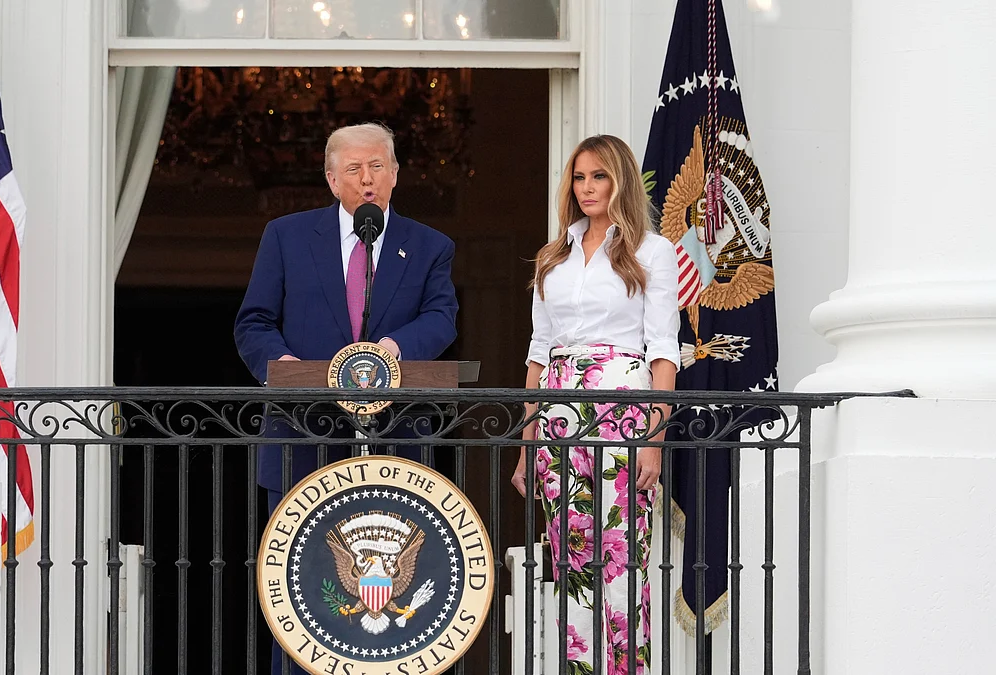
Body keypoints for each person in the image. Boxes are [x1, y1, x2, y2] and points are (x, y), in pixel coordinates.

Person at [233, 122, 458, 675]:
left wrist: (393, 348)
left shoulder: (430, 245)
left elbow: (442, 318)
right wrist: (280, 365)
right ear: (332, 179)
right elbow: (254, 321)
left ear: (396, 174)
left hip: (396, 444)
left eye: (377, 167)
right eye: (354, 170)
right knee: (302, 599)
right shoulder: (285, 236)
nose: (367, 181)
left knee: (396, 613)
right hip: (300, 441)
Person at [511, 135, 680, 674]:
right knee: (573, 560)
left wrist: (652, 443)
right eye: (580, 177)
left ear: (621, 181)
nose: (587, 188)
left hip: (623, 407)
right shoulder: (552, 254)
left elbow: (663, 353)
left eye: (599, 177)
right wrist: (526, 440)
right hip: (558, 411)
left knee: (624, 557)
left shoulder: (651, 251)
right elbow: (538, 352)